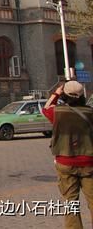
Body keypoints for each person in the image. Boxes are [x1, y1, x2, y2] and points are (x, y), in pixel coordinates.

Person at [42, 80, 93, 228]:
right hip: (88, 162)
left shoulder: (57, 112)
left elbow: (46, 108)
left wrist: (57, 93)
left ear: (65, 95)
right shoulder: (90, 113)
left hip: (65, 162)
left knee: (71, 202)